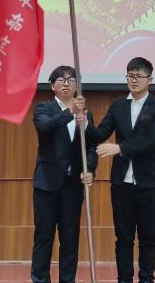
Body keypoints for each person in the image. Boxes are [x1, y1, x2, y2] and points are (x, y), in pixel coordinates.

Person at [85, 57, 155, 283]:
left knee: (148, 237)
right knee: (123, 238)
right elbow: (100, 134)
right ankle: (124, 279)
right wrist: (84, 123)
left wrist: (120, 148)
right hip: (122, 183)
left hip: (149, 183)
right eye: (130, 76)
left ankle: (147, 279)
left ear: (150, 79)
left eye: (139, 76)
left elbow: (151, 141)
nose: (134, 80)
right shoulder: (118, 106)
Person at [31, 65, 97, 283]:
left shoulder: (86, 114)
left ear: (77, 85)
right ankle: (40, 280)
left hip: (73, 186)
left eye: (71, 79)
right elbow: (45, 128)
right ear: (53, 86)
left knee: (70, 240)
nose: (66, 83)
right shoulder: (43, 109)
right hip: (47, 185)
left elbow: (91, 146)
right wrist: (70, 112)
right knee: (44, 238)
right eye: (61, 80)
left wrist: (90, 169)